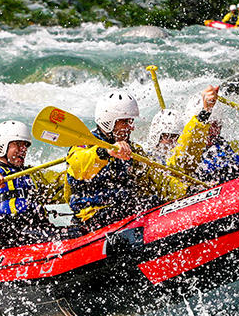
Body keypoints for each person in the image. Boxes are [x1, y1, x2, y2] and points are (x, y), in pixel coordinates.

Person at [65, 91, 187, 229]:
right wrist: (105, 152)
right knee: (147, 204)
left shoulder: (132, 150)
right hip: (93, 216)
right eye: (125, 122)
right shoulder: (85, 144)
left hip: (122, 210)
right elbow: (78, 166)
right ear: (108, 122)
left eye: (131, 121)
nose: (131, 127)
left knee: (154, 200)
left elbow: (157, 179)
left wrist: (186, 191)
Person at [0, 121, 75, 250]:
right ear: (2, 145)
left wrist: (80, 167)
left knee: (77, 231)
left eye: (25, 146)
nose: (23, 150)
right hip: (6, 236)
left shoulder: (32, 174)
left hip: (39, 230)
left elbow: (65, 183)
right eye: (17, 145)